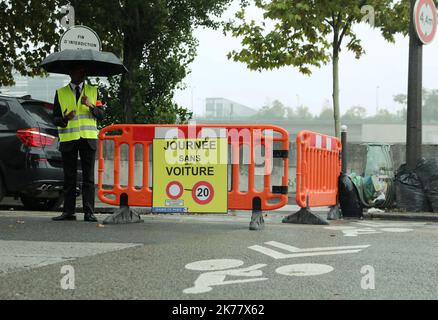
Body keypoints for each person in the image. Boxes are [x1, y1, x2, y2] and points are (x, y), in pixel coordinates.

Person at [52, 64, 104, 222]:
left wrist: (91, 106)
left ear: (84, 74)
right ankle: (69, 212)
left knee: (88, 177)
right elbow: (55, 119)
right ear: (70, 73)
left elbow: (101, 115)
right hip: (69, 139)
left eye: (81, 71)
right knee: (69, 177)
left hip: (88, 138)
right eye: (75, 71)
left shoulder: (94, 91)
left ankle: (89, 212)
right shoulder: (60, 93)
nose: (78, 74)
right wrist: (65, 119)